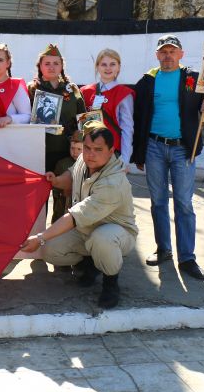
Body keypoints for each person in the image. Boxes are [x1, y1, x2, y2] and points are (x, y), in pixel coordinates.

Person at [20, 123, 138, 309]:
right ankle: (91, 261)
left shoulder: (113, 182)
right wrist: (56, 181)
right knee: (50, 250)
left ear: (111, 151)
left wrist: (40, 237)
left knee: (103, 238)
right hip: (87, 228)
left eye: (98, 150)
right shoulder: (85, 160)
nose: (90, 154)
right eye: (87, 148)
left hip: (117, 233)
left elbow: (76, 216)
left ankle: (111, 282)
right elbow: (72, 174)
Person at [132, 34, 204, 281]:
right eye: (163, 51)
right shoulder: (148, 81)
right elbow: (139, 117)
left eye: (172, 51)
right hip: (155, 146)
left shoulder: (193, 79)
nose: (168, 55)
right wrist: (139, 152)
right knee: (157, 201)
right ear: (157, 55)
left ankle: (187, 257)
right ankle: (164, 249)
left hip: (183, 148)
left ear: (181, 54)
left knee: (184, 203)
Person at [28, 43, 86, 172]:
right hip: (39, 150)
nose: (51, 67)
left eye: (56, 63)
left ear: (62, 66)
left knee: (65, 189)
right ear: (40, 66)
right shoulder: (31, 89)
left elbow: (83, 120)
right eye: (47, 63)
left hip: (68, 151)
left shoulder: (72, 89)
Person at [80, 49, 135, 165]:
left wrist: (125, 160)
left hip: (111, 152)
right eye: (104, 64)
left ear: (119, 67)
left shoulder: (124, 94)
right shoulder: (85, 91)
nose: (108, 68)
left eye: (112, 64)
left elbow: (127, 128)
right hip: (89, 151)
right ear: (97, 67)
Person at [0, 43, 31, 126]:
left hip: (9, 137)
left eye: (0, 60)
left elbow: (27, 116)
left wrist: (10, 118)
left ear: (8, 63)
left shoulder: (15, 86)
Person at [51, 132, 83, 223]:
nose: (75, 152)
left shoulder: (90, 164)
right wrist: (61, 192)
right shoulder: (62, 164)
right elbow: (55, 191)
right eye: (72, 148)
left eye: (79, 149)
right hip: (63, 206)